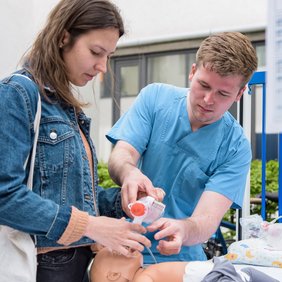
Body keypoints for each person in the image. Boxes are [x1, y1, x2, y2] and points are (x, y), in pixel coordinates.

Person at [0, 0, 151, 281]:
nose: (102, 66)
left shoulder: (66, 108)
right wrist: (92, 226)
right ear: (63, 37)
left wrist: (125, 202)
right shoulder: (17, 94)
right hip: (38, 267)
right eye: (96, 52)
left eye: (109, 55)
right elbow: (4, 197)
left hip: (72, 266)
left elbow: (71, 196)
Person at [106, 31, 258, 264]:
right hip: (126, 242)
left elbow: (207, 219)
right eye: (204, 85)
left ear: (239, 93)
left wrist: (183, 230)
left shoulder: (235, 147)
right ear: (193, 71)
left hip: (181, 256)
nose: (208, 100)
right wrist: (129, 172)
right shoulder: (155, 99)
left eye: (222, 93)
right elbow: (122, 154)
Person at [90, 247, 279, 282]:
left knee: (250, 274)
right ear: (114, 275)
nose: (124, 248)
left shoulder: (147, 271)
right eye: (116, 252)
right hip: (218, 277)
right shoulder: (144, 277)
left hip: (224, 270)